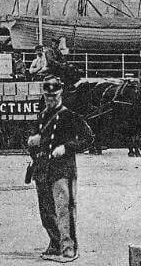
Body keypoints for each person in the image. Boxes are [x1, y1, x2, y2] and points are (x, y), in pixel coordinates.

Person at [27, 78, 94, 262]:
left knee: (64, 209)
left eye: (54, 96)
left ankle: (69, 247)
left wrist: (66, 147)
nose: (50, 99)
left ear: (60, 94)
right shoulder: (41, 116)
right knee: (46, 211)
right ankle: (55, 243)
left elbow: (88, 138)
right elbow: (33, 140)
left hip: (62, 170)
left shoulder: (69, 116)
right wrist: (33, 140)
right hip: (42, 169)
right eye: (47, 96)